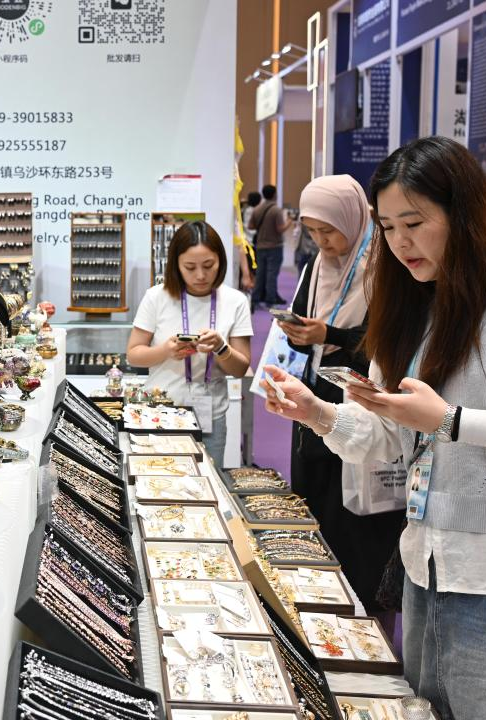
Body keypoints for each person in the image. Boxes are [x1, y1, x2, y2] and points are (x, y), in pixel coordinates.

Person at [263, 136, 486, 720]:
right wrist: (318, 413)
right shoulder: (412, 308)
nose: (400, 243)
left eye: (414, 223)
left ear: (464, 214)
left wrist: (454, 422)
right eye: (387, 228)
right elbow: (391, 438)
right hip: (424, 573)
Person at [278, 174, 404, 612]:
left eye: (329, 230)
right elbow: (303, 321)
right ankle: (318, 610)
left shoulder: (385, 268)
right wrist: (297, 333)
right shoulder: (316, 268)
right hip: (315, 400)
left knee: (357, 522)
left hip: (363, 403)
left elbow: (386, 342)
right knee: (314, 509)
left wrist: (329, 334)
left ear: (353, 218)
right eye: (312, 231)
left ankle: (365, 620)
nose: (322, 241)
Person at [127, 221, 252, 466]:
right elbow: (133, 354)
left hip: (211, 416)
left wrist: (221, 348)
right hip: (160, 412)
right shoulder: (156, 297)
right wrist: (166, 350)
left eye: (209, 265)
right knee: (159, 478)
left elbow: (240, 368)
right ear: (176, 265)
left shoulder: (235, 301)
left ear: (221, 260)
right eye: (190, 267)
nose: (201, 275)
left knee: (208, 479)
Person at [249, 185, 291, 311]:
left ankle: (255, 299)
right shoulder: (276, 210)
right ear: (274, 195)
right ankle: (270, 300)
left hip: (260, 246)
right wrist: (289, 222)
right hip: (275, 247)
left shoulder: (257, 209)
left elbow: (251, 226)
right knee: (272, 274)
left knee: (260, 274)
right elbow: (280, 229)